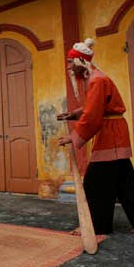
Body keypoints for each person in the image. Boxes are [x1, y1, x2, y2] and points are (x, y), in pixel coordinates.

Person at [57, 39, 134, 235]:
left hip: (111, 136)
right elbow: (95, 107)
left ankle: (96, 227)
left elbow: (93, 116)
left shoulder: (97, 80)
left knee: (95, 183)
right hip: (115, 133)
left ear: (80, 62)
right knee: (124, 183)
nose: (68, 67)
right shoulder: (97, 78)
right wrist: (74, 114)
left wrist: (73, 136)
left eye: (69, 62)